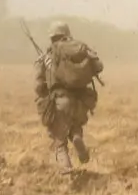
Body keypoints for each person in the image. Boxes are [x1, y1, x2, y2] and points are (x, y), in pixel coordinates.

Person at [34, 22, 103, 173]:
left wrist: (41, 68)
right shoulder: (75, 54)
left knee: (59, 142)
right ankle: (78, 138)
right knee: (74, 126)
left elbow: (39, 87)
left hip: (60, 101)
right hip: (80, 102)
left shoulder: (48, 56)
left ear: (52, 37)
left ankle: (66, 171)